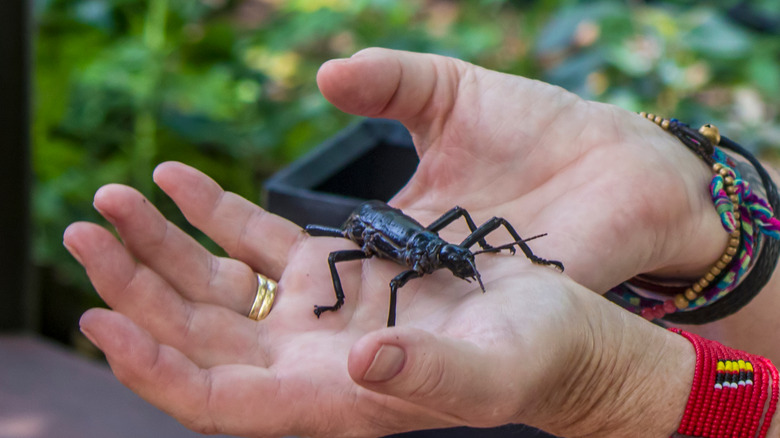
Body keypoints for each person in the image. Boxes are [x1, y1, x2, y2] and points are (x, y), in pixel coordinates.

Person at [63, 48, 780, 437]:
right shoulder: (405, 267)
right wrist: (684, 203)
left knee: (461, 245)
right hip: (374, 230)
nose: (463, 263)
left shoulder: (444, 254)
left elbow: (473, 244)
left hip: (402, 233)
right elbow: (386, 270)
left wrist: (610, 385)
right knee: (368, 262)